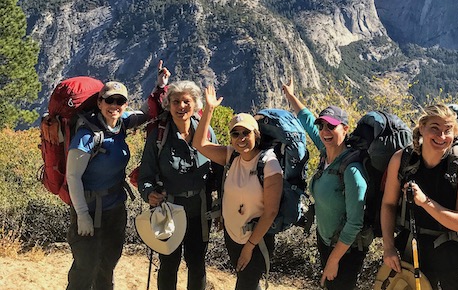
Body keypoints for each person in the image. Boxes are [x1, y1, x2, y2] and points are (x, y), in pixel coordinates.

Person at [380, 103, 458, 290]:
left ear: (454, 133)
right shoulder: (402, 160)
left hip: (451, 250)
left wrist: (425, 202)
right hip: (411, 248)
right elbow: (388, 204)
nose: (441, 136)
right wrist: (388, 247)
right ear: (422, 129)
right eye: (435, 129)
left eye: (447, 130)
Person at [137, 64, 221, 290]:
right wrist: (149, 193)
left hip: (200, 209)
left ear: (195, 106)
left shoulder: (207, 132)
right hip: (169, 209)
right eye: (176, 101)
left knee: (197, 264)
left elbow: (219, 171)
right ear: (169, 105)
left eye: (187, 102)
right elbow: (145, 175)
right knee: (168, 263)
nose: (181, 106)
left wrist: (222, 206)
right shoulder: (159, 136)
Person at [192, 85, 283, 290]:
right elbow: (199, 143)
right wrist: (209, 109)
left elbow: (271, 212)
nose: (241, 138)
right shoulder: (231, 156)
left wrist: (249, 247)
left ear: (256, 135)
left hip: (255, 240)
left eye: (246, 133)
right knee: (248, 283)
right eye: (235, 134)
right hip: (232, 236)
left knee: (245, 285)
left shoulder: (269, 164)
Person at [282, 77, 368, 290]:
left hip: (345, 250)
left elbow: (355, 223)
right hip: (326, 241)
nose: (325, 131)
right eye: (322, 125)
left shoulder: (352, 171)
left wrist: (333, 260)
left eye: (332, 126)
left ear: (345, 129)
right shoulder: (326, 153)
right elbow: (308, 121)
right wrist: (291, 96)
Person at [65, 80, 148, 290]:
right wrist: (82, 215)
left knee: (107, 266)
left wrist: (160, 86)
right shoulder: (87, 136)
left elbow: (147, 113)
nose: (115, 105)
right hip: (89, 210)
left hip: (115, 209)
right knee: (84, 269)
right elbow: (72, 176)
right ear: (100, 103)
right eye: (109, 100)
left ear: (126, 104)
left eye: (120, 101)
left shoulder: (122, 123)